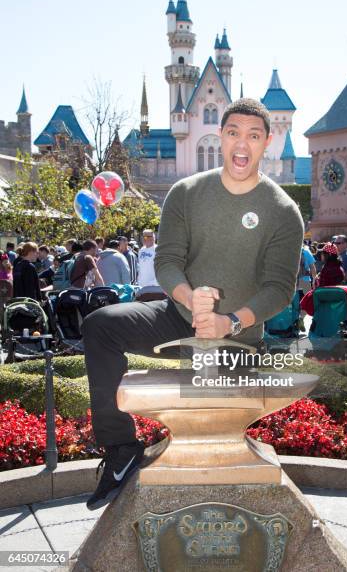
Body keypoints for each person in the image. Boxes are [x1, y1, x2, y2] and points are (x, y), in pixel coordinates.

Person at [81, 98, 304, 510]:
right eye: (234, 132)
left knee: (207, 414)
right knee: (100, 325)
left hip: (237, 339)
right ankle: (120, 450)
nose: (242, 144)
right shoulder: (185, 193)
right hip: (177, 318)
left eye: (254, 135)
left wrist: (229, 322)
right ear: (220, 136)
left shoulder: (283, 212)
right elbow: (167, 262)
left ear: (267, 142)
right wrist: (189, 297)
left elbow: (278, 290)